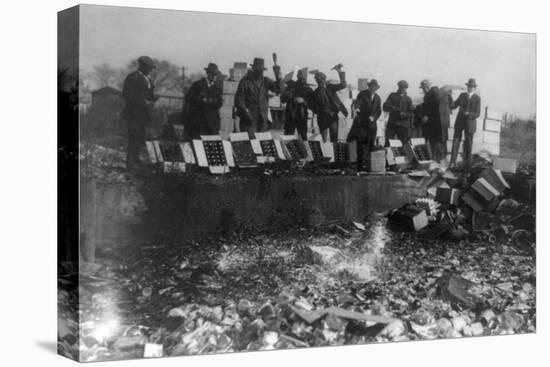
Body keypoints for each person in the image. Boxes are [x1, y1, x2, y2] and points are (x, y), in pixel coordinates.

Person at [122, 55, 158, 170]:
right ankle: (130, 163)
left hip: (143, 114)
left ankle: (136, 159)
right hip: (133, 113)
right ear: (142, 66)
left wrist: (152, 99)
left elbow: (148, 95)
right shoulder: (133, 77)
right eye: (149, 68)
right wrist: (143, 101)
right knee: (133, 137)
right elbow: (126, 94)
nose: (151, 70)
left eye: (151, 68)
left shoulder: (149, 80)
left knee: (140, 138)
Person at [234, 57, 282, 138]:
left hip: (262, 119)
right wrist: (245, 111)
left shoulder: (266, 81)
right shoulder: (245, 82)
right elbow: (239, 99)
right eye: (257, 70)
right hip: (249, 120)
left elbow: (278, 89)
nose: (260, 72)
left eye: (261, 71)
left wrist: (278, 76)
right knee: (250, 142)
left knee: (262, 142)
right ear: (254, 70)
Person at [347, 79, 382, 169]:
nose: (372, 89)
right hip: (362, 124)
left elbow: (378, 111)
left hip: (372, 126)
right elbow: (358, 102)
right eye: (371, 87)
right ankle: (359, 165)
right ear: (369, 87)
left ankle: (369, 165)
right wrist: (357, 108)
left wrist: (373, 117)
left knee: (371, 144)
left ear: (376, 88)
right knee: (361, 144)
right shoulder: (362, 94)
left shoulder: (378, 98)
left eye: (374, 87)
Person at [183, 63, 223, 139]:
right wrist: (201, 100)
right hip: (198, 123)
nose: (215, 77)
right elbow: (189, 98)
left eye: (216, 75)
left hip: (212, 124)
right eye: (213, 74)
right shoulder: (197, 85)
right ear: (208, 74)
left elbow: (219, 103)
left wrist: (209, 101)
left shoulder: (217, 88)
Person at [309, 64, 348, 143]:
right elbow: (311, 106)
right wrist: (319, 111)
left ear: (324, 80)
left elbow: (344, 85)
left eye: (321, 80)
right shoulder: (315, 93)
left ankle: (333, 154)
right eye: (318, 80)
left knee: (334, 139)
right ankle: (326, 154)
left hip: (332, 117)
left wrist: (339, 71)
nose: (320, 82)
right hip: (322, 118)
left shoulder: (330, 88)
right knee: (324, 140)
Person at [450, 78, 481, 168]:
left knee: (468, 143)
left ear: (474, 88)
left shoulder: (477, 98)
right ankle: (452, 162)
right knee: (456, 140)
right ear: (467, 87)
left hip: (470, 123)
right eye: (469, 86)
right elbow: (454, 105)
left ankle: (467, 164)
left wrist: (469, 114)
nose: (470, 88)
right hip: (460, 122)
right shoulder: (462, 95)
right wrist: (449, 99)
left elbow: (477, 113)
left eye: (472, 87)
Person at [281, 67, 313, 140]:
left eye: (303, 77)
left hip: (302, 116)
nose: (301, 79)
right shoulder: (291, 86)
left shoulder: (308, 89)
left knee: (303, 138)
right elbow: (282, 99)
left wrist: (304, 101)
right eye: (300, 76)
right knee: (288, 138)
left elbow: (312, 104)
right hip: (290, 115)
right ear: (297, 76)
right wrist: (289, 95)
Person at [419, 79, 443, 162]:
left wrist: (427, 116)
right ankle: (432, 160)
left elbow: (435, 107)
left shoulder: (434, 93)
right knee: (431, 141)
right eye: (423, 88)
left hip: (435, 122)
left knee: (436, 142)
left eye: (424, 88)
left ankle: (438, 160)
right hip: (430, 123)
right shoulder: (428, 95)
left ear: (428, 86)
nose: (423, 90)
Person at [383, 80, 413, 145]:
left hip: (403, 125)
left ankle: (404, 155)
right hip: (392, 124)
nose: (403, 89)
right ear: (398, 87)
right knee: (388, 143)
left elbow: (411, 113)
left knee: (404, 144)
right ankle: (388, 155)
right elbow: (385, 106)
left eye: (405, 87)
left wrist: (405, 114)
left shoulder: (408, 99)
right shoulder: (392, 96)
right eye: (401, 87)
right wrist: (394, 108)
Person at [439, 86, 453, 158]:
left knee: (445, 137)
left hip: (447, 119)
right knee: (443, 137)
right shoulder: (442, 99)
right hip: (443, 119)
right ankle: (443, 154)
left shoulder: (448, 99)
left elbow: (451, 107)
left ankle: (444, 154)